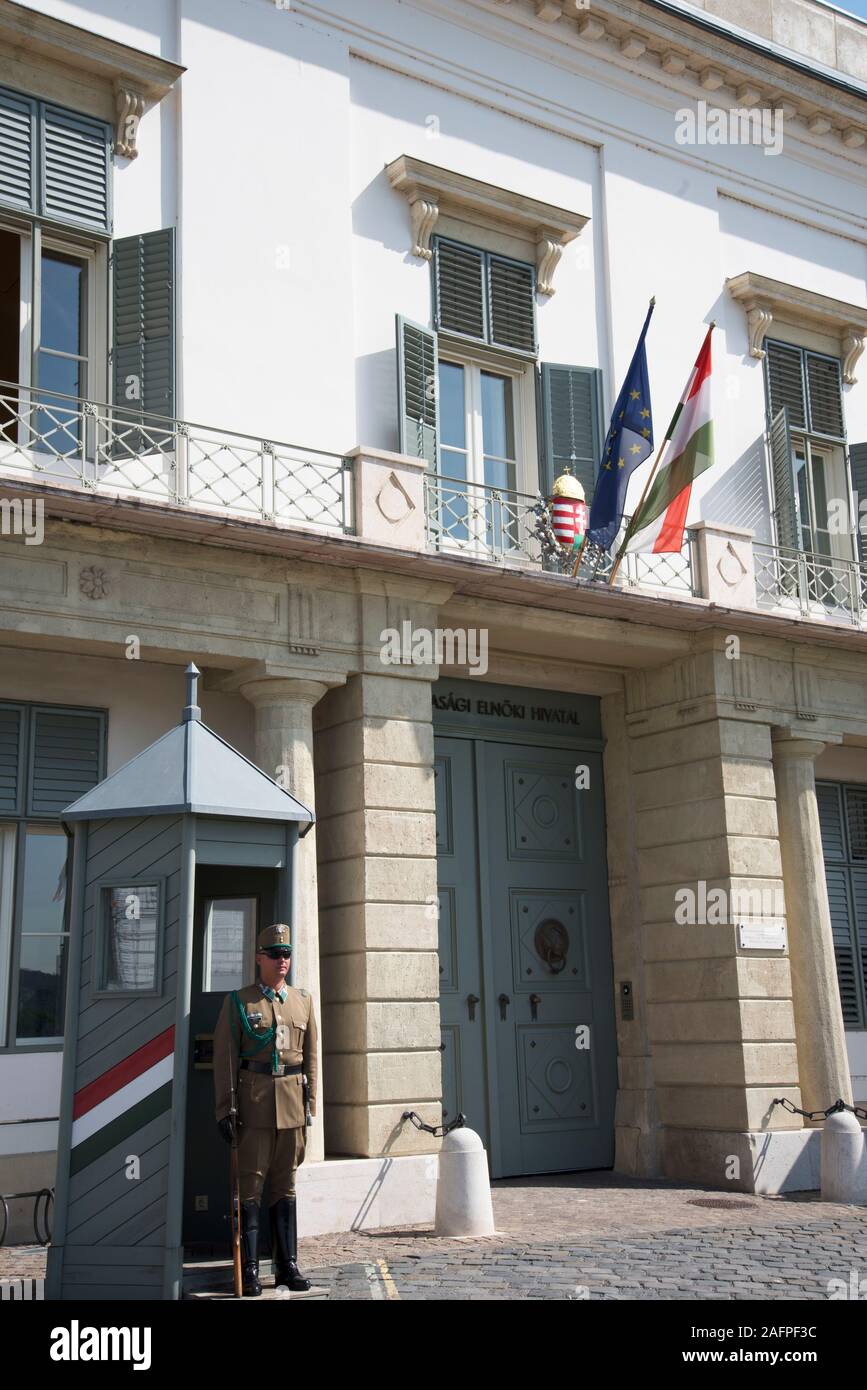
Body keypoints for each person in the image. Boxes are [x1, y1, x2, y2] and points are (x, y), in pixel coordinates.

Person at [213, 922, 317, 1296]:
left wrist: (311, 1104)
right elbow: (225, 1059)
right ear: (259, 958)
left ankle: (287, 1265)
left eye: (287, 953)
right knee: (250, 1188)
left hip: (291, 1104)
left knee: (285, 1185)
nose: (282, 960)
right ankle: (251, 1269)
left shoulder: (302, 1000)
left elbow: (311, 1058)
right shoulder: (240, 1002)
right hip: (255, 1105)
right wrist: (225, 1108)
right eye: (275, 954)